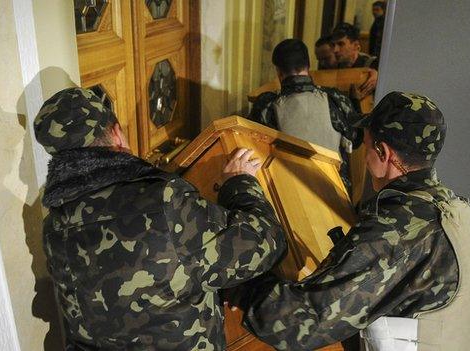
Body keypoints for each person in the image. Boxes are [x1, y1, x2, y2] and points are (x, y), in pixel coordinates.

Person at [236, 92, 470, 350]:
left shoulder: (399, 230)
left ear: (383, 152)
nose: (364, 156)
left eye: (366, 145)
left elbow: (298, 323)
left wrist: (242, 284)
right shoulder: (459, 209)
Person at [34, 87, 287, 350]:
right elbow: (267, 241)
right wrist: (239, 183)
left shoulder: (54, 227)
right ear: (116, 132)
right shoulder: (162, 201)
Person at [248, 38, 363, 194]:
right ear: (308, 66)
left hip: (289, 196)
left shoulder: (266, 105)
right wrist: (355, 101)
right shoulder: (335, 99)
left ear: (279, 72)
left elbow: (253, 147)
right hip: (335, 193)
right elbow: (356, 139)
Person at [330, 22, 379, 100]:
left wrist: (379, 77)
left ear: (355, 46)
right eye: (333, 45)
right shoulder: (334, 67)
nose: (335, 50)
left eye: (341, 44)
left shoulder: (372, 64)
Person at [368, 1, 386, 69]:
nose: (374, 12)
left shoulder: (382, 22)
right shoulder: (376, 21)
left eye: (377, 9)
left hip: (379, 55)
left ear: (383, 10)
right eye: (373, 9)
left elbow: (378, 41)